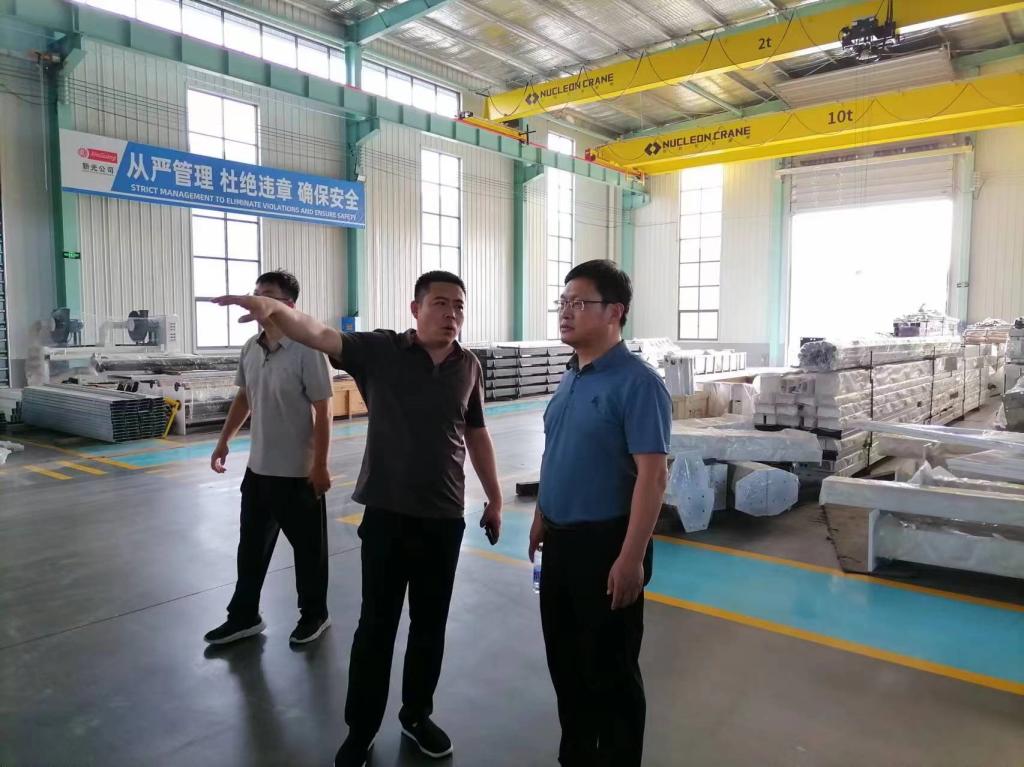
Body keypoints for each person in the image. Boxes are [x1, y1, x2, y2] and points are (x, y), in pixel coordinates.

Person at [214, 271, 503, 767]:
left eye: (458, 305)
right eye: (440, 303)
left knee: (429, 626)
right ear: (415, 309)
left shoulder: (468, 365)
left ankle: (416, 715)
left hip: (443, 519)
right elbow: (320, 334)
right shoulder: (382, 351)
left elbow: (476, 434)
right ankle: (361, 729)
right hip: (387, 517)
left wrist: (494, 499)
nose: (451, 313)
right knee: (376, 628)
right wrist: (274, 310)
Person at [528, 259, 671, 767]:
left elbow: (653, 477)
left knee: (610, 673)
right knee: (565, 663)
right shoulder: (571, 376)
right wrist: (542, 514)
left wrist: (630, 558)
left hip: (607, 546)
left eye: (579, 303)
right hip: (560, 544)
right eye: (563, 302)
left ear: (615, 312)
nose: (566, 312)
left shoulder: (638, 384)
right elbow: (557, 449)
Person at [203, 270, 334, 647]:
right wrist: (223, 441)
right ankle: (244, 616)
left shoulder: (307, 349)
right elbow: (244, 398)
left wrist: (320, 465)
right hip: (258, 470)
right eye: (256, 293)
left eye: (268, 295)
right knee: (250, 549)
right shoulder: (251, 347)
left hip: (298, 473)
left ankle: (315, 615)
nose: (256, 300)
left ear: (288, 305)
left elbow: (324, 411)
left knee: (309, 552)